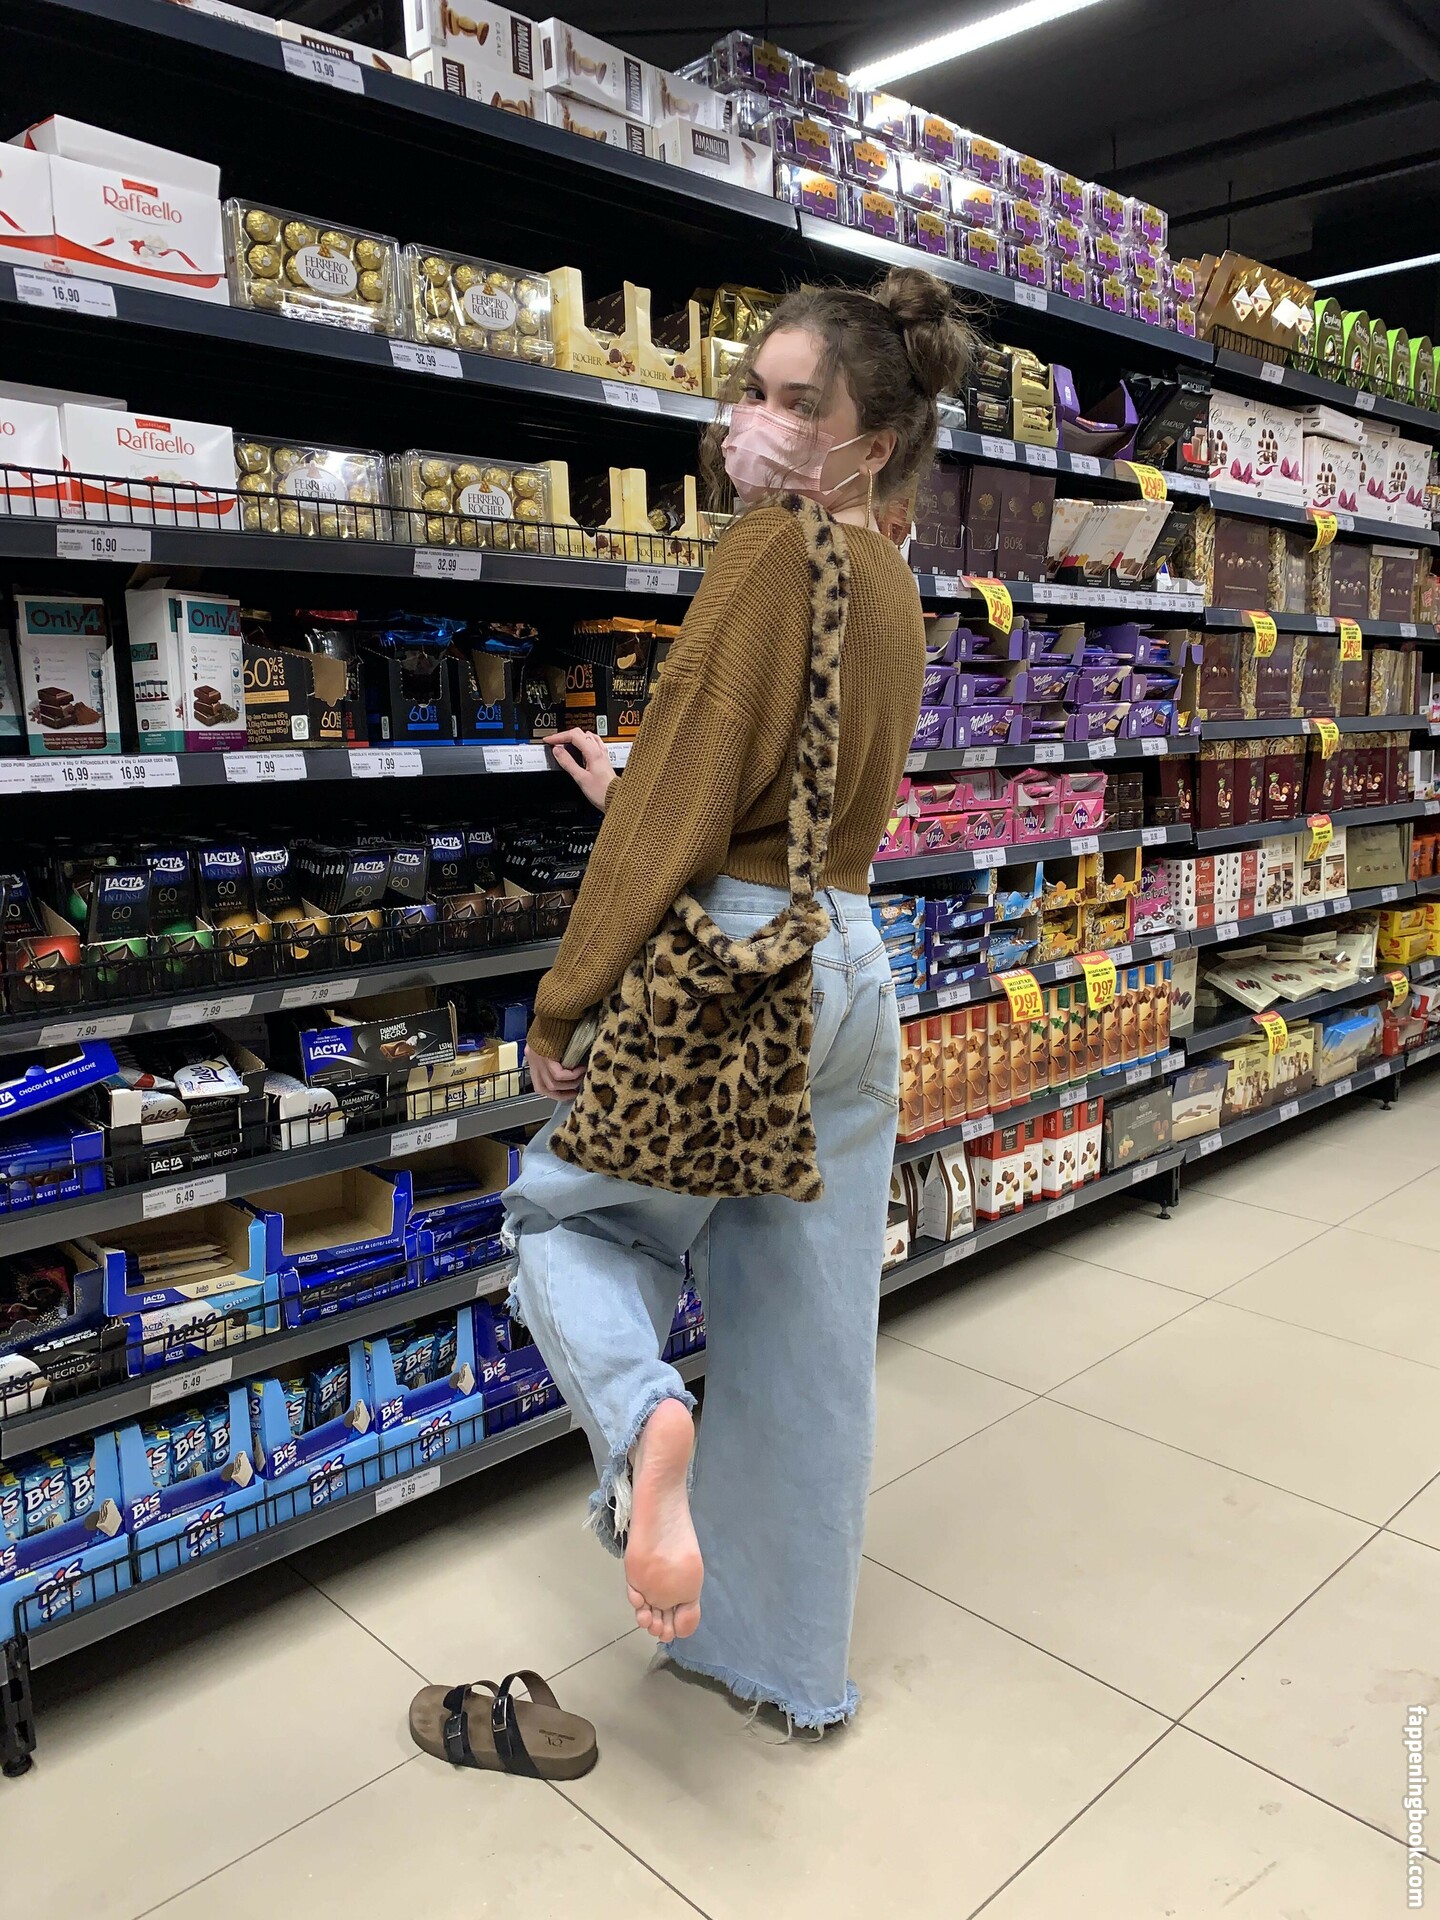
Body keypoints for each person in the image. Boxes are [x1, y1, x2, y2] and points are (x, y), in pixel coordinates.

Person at [503, 267, 975, 1732]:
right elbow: (793, 790)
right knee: (812, 1332)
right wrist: (641, 786)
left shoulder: (773, 547)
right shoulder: (890, 581)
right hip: (852, 962)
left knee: (569, 1225)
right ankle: (783, 1666)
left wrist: (566, 1000)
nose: (757, 424)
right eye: (753, 392)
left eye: (795, 404)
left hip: (734, 967)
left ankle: (647, 1419)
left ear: (869, 442)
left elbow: (693, 802)